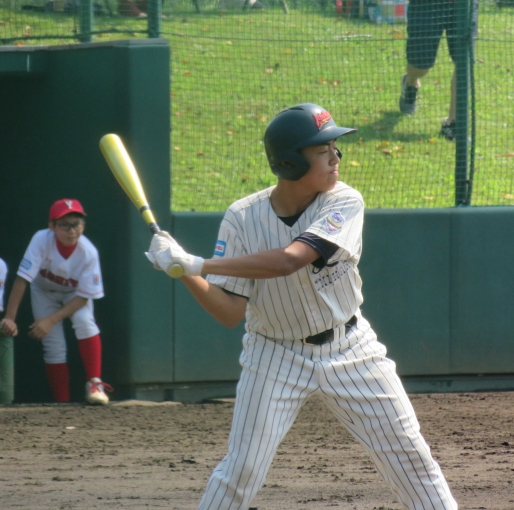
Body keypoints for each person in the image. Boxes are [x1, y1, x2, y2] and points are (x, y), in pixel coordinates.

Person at [146, 103, 459, 510]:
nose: (336, 156)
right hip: (274, 354)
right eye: (322, 149)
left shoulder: (343, 200)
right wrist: (181, 270)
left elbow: (289, 260)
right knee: (241, 470)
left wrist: (197, 264)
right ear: (290, 162)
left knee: (411, 458)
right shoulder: (242, 218)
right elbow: (228, 312)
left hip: (351, 349)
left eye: (334, 146)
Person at [0, 199, 112, 405]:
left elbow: (84, 296)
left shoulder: (89, 252)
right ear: (52, 226)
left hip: (74, 295)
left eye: (76, 224)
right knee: (53, 345)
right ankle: (61, 404)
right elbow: (22, 279)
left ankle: (95, 384)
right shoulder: (41, 240)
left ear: (83, 226)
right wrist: (10, 318)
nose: (72, 230)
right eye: (65, 225)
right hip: (44, 291)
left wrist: (50, 320)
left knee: (85, 323)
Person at [399, 0, 478, 141]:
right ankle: (410, 82)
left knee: (463, 62)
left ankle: (453, 122)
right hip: (427, 4)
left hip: (463, 4)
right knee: (420, 66)